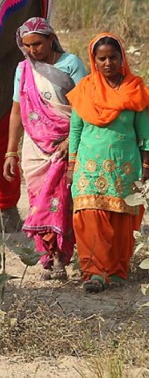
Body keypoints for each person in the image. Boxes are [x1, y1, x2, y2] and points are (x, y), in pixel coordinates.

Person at [2, 18, 86, 280]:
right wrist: (10, 152)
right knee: (38, 201)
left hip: (65, 144)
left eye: (37, 43)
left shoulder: (71, 64)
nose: (32, 50)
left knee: (61, 200)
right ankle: (47, 256)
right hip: (34, 147)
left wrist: (69, 142)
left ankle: (62, 257)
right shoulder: (23, 69)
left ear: (51, 39)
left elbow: (85, 107)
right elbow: (17, 111)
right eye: (27, 45)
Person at [66, 33, 149, 293]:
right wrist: (71, 165)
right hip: (89, 167)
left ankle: (116, 271)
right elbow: (75, 131)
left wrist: (146, 168)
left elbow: (145, 134)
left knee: (121, 219)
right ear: (94, 60)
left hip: (125, 167)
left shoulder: (136, 89)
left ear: (122, 57)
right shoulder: (85, 90)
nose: (108, 62)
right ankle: (94, 273)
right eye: (102, 58)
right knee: (88, 216)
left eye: (113, 57)